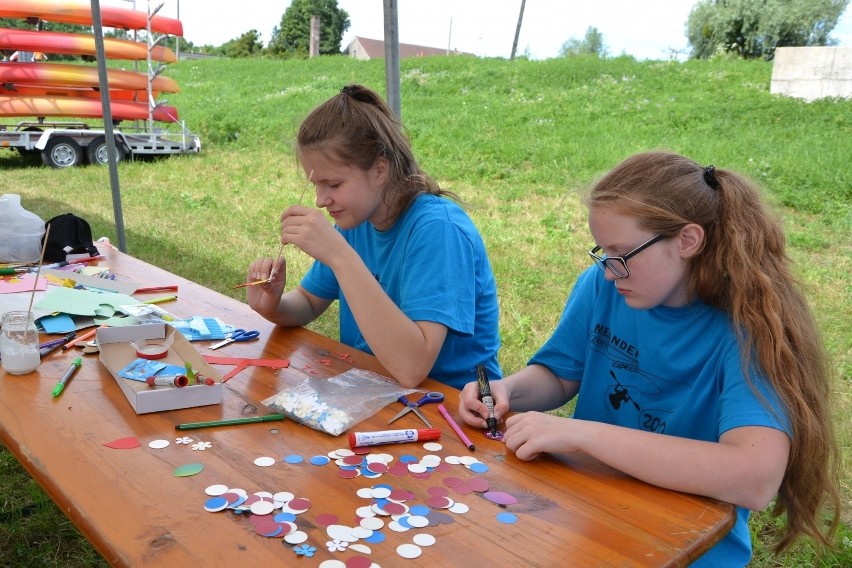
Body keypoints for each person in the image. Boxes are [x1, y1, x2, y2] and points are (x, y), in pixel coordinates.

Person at [459, 151, 840, 565]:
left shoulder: (750, 326)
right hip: (587, 516)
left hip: (685, 543)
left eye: (621, 254)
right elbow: (560, 373)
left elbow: (754, 477)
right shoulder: (607, 286)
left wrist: (584, 435)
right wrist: (508, 389)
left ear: (688, 241)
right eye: (602, 253)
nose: (608, 271)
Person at [246, 84, 502, 390]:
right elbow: (309, 301)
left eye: (333, 184)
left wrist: (339, 256)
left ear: (380, 170)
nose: (320, 200)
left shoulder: (438, 230)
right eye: (315, 185)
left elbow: (412, 368)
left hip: (452, 406)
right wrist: (273, 305)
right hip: (374, 388)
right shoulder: (357, 221)